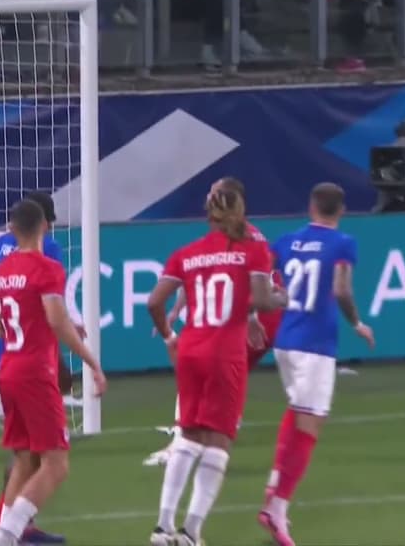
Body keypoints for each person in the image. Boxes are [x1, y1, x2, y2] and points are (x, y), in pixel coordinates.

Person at [144, 179, 278, 546]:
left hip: (190, 349)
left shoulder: (187, 253)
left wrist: (169, 336)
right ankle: (191, 531)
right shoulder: (252, 251)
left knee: (188, 434)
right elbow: (262, 299)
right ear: (240, 211)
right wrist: (284, 298)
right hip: (225, 352)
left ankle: (163, 526)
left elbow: (154, 302)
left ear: (209, 213)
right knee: (219, 440)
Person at [0, 199, 106, 546]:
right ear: (44, 227)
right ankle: (7, 535)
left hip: (9, 368)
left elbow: (0, 327)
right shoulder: (47, 267)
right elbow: (56, 319)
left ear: (12, 229)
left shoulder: (2, 271)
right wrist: (92, 363)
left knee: (25, 460)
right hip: (35, 373)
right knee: (56, 464)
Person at [259, 182, 375, 546]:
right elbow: (341, 289)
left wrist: (262, 306)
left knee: (298, 411)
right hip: (315, 344)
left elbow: (262, 281)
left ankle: (274, 485)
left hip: (285, 342)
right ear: (341, 210)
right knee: (310, 426)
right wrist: (356, 322)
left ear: (311, 206)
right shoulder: (343, 243)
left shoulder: (286, 241)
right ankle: (277, 508)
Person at [0, 191, 69, 545]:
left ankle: (19, 528)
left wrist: (3, 324)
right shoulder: (47, 249)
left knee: (26, 451)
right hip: (29, 360)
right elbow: (48, 318)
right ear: (44, 223)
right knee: (34, 455)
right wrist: (63, 364)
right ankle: (2, 532)